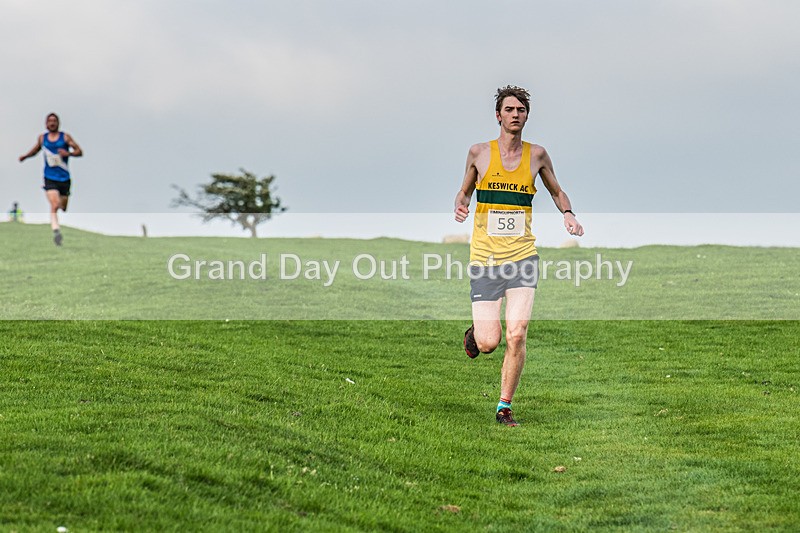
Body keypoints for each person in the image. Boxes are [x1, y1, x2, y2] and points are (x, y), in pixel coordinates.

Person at [454, 85, 584, 426]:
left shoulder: (537, 155)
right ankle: (475, 334)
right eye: (509, 109)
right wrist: (461, 204)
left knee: (517, 333)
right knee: (489, 342)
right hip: (485, 258)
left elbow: (556, 190)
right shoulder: (479, 153)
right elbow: (464, 190)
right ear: (498, 115)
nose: (515, 115)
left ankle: (504, 407)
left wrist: (568, 213)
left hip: (523, 257)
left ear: (527, 116)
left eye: (521, 110)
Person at [19, 113, 83, 246]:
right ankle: (56, 231)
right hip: (49, 178)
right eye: (50, 121)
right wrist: (25, 156)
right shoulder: (42, 138)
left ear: (58, 123)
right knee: (54, 205)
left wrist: (68, 153)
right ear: (46, 124)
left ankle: (59, 213)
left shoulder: (65, 137)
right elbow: (35, 150)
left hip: (64, 178)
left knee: (63, 207)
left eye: (54, 121)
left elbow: (79, 151)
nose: (52, 123)